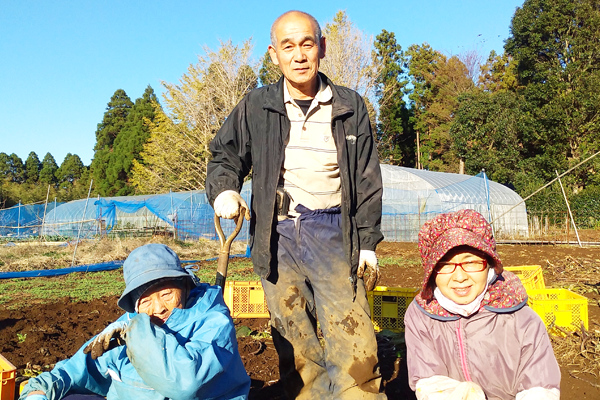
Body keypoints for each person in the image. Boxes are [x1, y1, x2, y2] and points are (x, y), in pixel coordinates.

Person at [205, 10, 386, 400]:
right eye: (288, 46)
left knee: (353, 339)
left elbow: (368, 180)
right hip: (277, 234)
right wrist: (224, 190)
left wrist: (368, 243)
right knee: (295, 341)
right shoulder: (257, 105)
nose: (299, 54)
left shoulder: (351, 106)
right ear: (274, 54)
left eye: (307, 44)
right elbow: (225, 156)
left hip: (335, 232)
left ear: (322, 47)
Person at [20, 243, 250, 400]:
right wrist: (39, 389)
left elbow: (184, 383)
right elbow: (80, 367)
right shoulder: (129, 324)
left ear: (185, 286)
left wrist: (138, 334)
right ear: (135, 305)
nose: (158, 307)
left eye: (167, 295)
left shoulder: (212, 321)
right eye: (146, 300)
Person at [404, 209, 561, 400]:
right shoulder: (421, 316)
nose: (460, 277)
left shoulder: (522, 319)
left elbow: (539, 389)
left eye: (470, 262)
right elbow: (431, 384)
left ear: (489, 264)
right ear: (431, 270)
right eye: (445, 264)